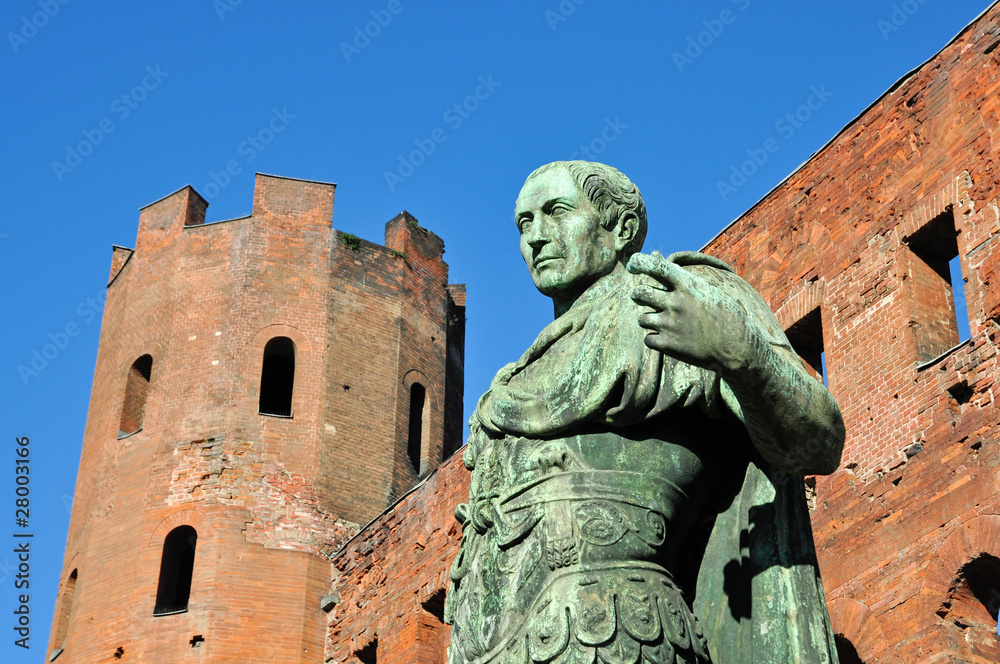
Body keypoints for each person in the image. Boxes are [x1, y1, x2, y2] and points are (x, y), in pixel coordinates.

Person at [445, 161, 845, 664]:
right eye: (524, 224)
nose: (537, 237)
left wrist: (741, 354)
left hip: (621, 635)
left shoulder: (673, 307)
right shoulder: (510, 384)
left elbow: (820, 443)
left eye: (556, 212)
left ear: (620, 229)